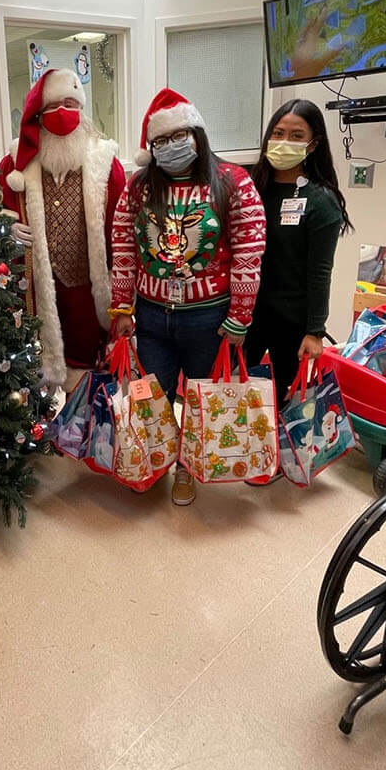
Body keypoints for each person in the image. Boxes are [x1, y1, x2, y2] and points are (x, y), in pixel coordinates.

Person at [110, 89, 266, 506]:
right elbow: (124, 245)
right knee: (154, 397)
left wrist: (240, 317)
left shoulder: (234, 182)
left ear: (197, 133)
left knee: (201, 401)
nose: (171, 146)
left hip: (209, 318)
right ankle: (158, 458)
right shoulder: (140, 187)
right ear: (150, 147)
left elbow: (250, 252)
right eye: (160, 141)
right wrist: (122, 305)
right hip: (152, 316)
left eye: (180, 135)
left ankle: (186, 469)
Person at [0, 69, 126, 389]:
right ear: (38, 117)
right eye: (53, 107)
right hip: (36, 291)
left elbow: (122, 231)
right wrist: (6, 225)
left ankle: (84, 435)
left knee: (88, 378)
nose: (63, 114)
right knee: (36, 376)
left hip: (87, 287)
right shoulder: (15, 163)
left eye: (71, 104)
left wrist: (124, 295)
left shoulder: (105, 163)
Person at [246, 99, 351, 404]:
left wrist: (316, 331)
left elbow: (320, 271)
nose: (283, 143)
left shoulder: (320, 201)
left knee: (278, 401)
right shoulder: (251, 188)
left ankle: (273, 453)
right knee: (233, 396)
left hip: (291, 321)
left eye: (296, 136)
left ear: (314, 144)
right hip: (245, 315)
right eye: (277, 134)